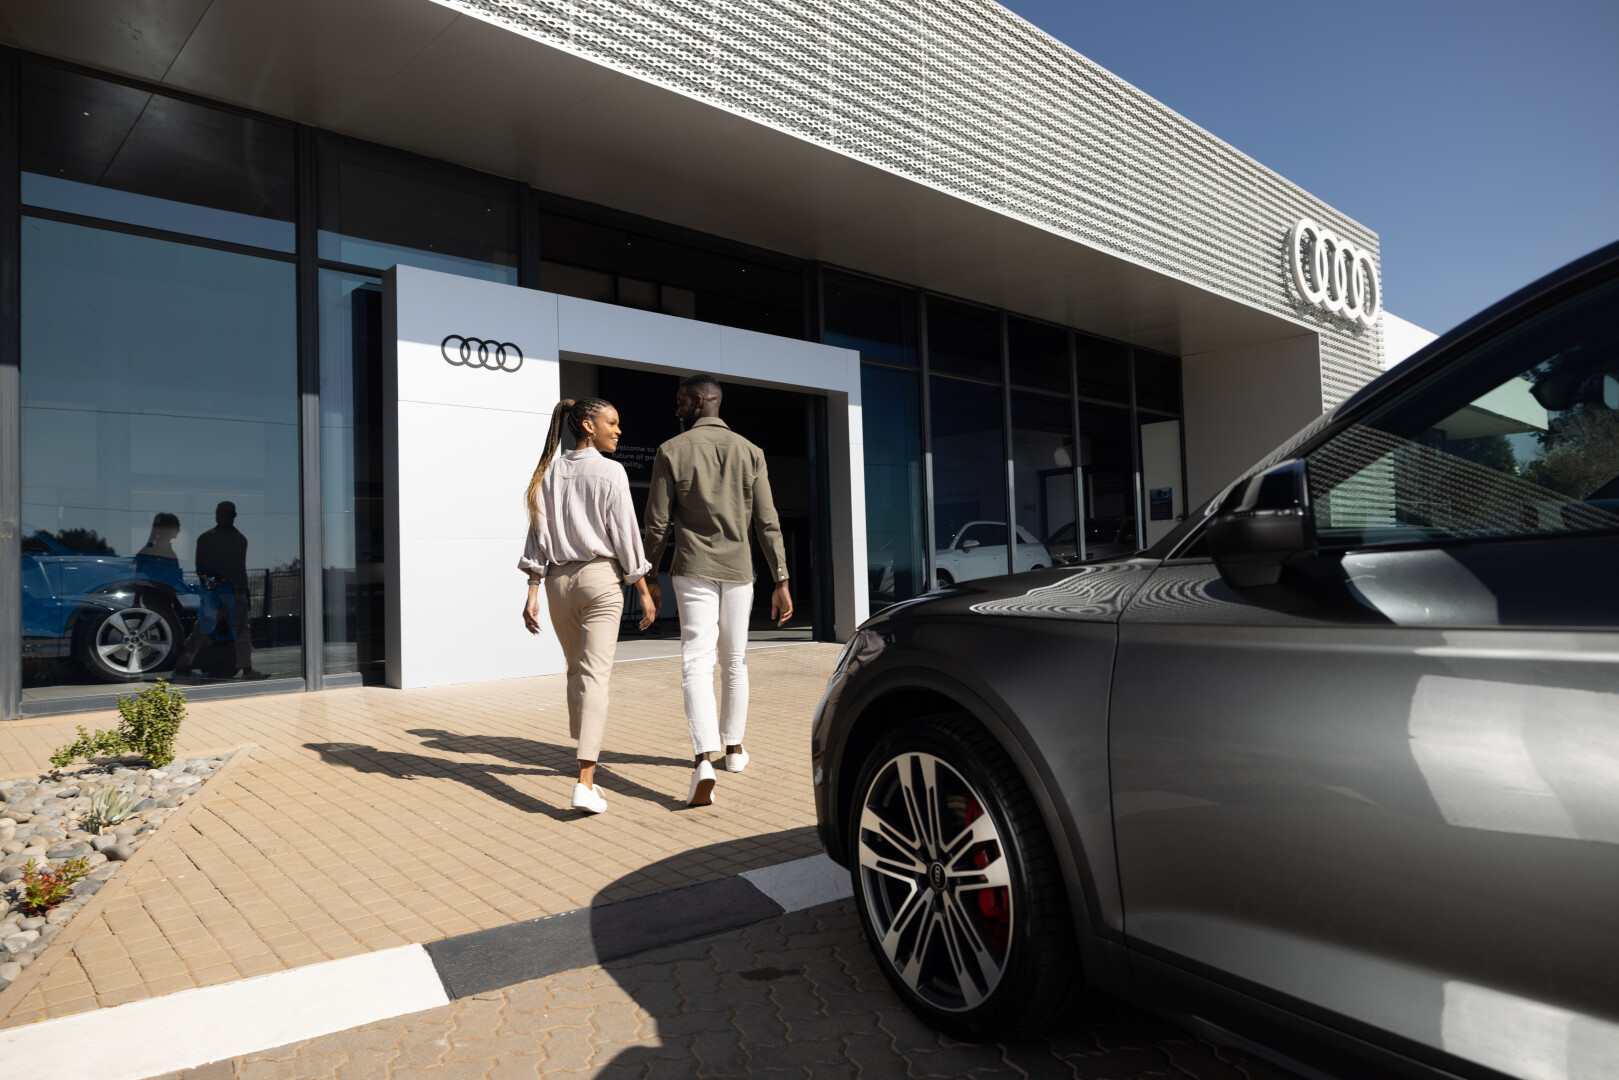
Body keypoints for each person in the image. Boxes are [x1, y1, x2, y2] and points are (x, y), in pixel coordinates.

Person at [643, 373, 792, 808]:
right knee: (735, 661)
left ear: (699, 400)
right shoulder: (751, 452)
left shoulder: (671, 451)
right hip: (741, 571)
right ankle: (734, 750)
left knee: (695, 660)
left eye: (679, 401)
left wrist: (647, 574)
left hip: (692, 569)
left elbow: (657, 522)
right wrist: (781, 579)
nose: (676, 409)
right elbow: (768, 522)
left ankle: (703, 759)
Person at [520, 397, 656, 815]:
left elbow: (536, 536)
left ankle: (583, 752)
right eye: (611, 423)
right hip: (600, 579)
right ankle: (586, 780)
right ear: (586, 425)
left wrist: (533, 589)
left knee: (576, 670)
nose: (618, 431)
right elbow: (626, 533)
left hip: (558, 583)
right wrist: (644, 587)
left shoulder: (547, 472)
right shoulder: (610, 471)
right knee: (595, 676)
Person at [193, 501, 265, 679]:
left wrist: (243, 592)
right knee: (204, 628)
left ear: (233, 515)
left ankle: (247, 669)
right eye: (221, 512)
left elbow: (240, 568)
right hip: (221, 592)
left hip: (232, 592)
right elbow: (201, 568)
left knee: (239, 631)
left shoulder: (237, 539)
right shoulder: (211, 538)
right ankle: (183, 666)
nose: (223, 515)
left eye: (226, 512)